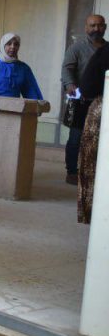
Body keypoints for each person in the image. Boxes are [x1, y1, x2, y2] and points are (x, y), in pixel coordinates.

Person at [62, 15, 107, 185]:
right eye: (92, 25)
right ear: (86, 27)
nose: (96, 29)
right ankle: (72, 172)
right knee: (76, 138)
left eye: (100, 25)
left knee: (100, 139)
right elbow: (67, 69)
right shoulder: (77, 47)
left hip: (103, 103)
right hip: (81, 101)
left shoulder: (108, 49)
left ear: (105, 27)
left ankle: (95, 172)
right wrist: (70, 85)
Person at [78, 43, 109, 224]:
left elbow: (87, 86)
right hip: (102, 110)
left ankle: (92, 214)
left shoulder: (103, 51)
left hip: (98, 108)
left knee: (91, 165)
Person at [0, 33, 43, 99]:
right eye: (9, 44)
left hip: (13, 105)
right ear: (2, 46)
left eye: (16, 44)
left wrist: (40, 104)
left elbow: (32, 92)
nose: (13, 47)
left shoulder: (24, 68)